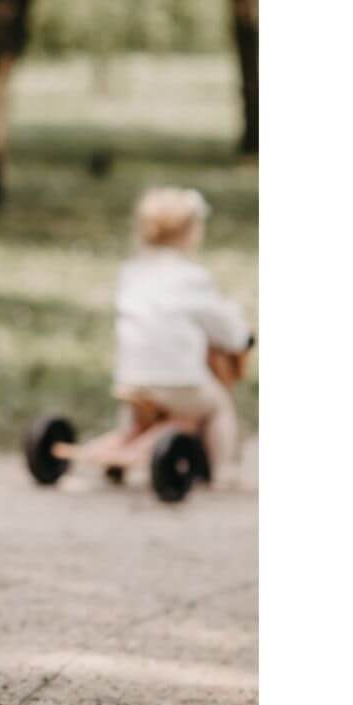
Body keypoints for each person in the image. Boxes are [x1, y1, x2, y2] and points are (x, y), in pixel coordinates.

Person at [114, 187, 252, 485]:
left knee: (138, 403)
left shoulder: (132, 273)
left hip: (131, 376)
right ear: (189, 234)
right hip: (179, 381)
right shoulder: (192, 280)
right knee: (218, 406)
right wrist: (241, 337)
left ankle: (124, 446)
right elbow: (221, 322)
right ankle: (223, 470)